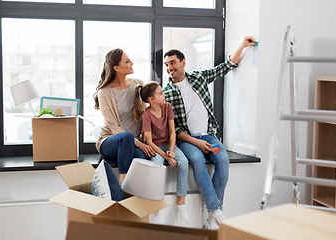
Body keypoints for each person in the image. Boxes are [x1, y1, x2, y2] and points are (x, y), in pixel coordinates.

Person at [163, 36, 256, 229]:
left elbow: (225, 67)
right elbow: (175, 129)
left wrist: (242, 46)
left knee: (222, 159)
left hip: (209, 135)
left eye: (172, 63)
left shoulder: (198, 78)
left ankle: (213, 215)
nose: (169, 68)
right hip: (188, 141)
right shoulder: (167, 93)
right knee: (197, 160)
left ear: (183, 63)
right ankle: (215, 211)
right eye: (166, 65)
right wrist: (196, 143)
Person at [93, 48, 155, 184]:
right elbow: (114, 128)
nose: (131, 63)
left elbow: (145, 115)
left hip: (133, 144)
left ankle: (139, 194)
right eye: (127, 61)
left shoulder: (137, 84)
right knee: (126, 136)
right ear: (116, 68)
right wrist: (139, 143)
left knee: (142, 157)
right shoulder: (104, 92)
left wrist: (146, 142)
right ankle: (124, 186)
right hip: (110, 142)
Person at [134, 81, 190, 223]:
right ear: (151, 100)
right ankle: (157, 203)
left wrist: (171, 150)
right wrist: (166, 156)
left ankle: (181, 203)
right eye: (160, 93)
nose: (164, 95)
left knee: (183, 162)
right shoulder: (146, 115)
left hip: (169, 145)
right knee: (157, 166)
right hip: (156, 148)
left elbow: (172, 131)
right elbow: (149, 142)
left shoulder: (167, 107)